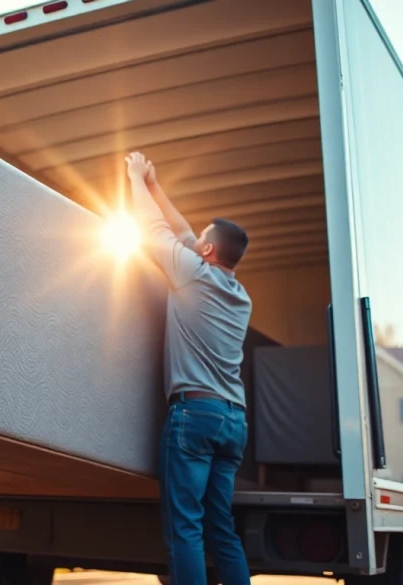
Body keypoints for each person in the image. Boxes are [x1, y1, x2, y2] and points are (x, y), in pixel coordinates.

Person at [124, 151, 252, 585]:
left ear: (208, 250)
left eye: (200, 240)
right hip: (234, 421)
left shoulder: (192, 274)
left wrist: (135, 177)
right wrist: (158, 187)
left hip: (194, 418)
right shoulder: (239, 294)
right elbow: (182, 232)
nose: (192, 239)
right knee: (222, 530)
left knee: (185, 530)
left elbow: (156, 230)